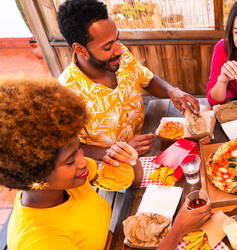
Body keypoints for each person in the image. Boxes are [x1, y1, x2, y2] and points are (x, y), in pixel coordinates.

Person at [1, 78, 211, 250]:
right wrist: (177, 230)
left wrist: (130, 160)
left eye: (79, 148)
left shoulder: (69, 180)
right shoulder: (35, 238)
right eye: (70, 160)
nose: (83, 161)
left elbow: (132, 182)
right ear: (34, 174)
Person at [57, 0, 200, 160]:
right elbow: (71, 149)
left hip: (149, 145)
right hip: (110, 169)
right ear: (80, 49)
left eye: (117, 39)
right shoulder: (65, 94)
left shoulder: (121, 54)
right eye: (107, 47)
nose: (119, 49)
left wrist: (171, 90)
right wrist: (121, 150)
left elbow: (148, 80)